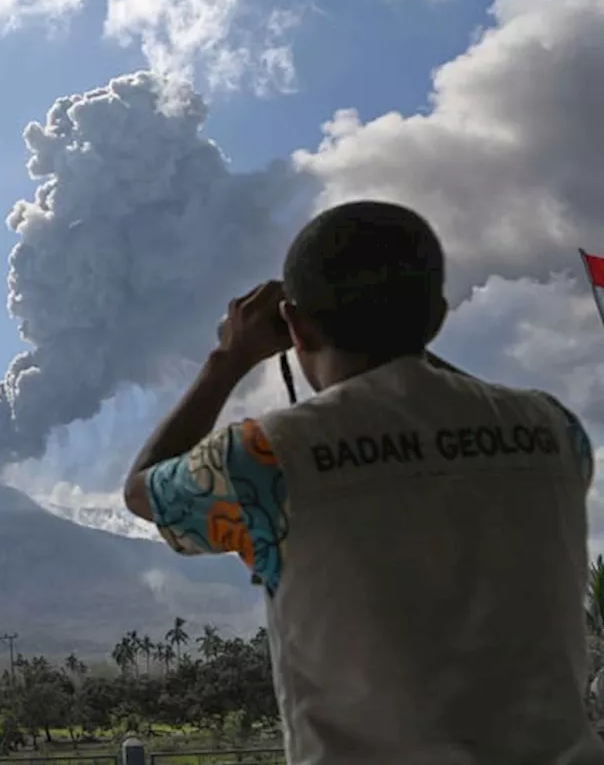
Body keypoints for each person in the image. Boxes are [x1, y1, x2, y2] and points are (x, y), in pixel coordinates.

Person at [123, 200, 604, 764]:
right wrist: (407, 337)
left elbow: (142, 491)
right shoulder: (556, 431)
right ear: (438, 318)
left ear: (296, 327)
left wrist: (230, 357)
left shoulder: (264, 457)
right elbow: (437, 397)